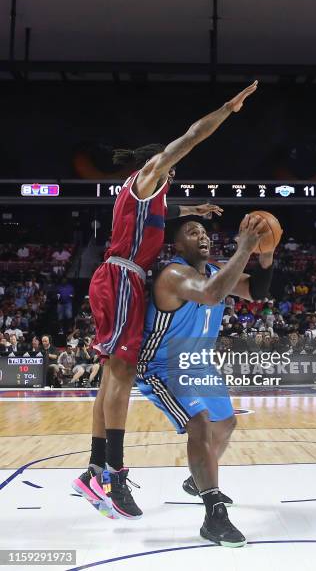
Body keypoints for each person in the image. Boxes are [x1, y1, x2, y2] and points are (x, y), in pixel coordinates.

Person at [72, 81, 259, 520]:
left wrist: (194, 210)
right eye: (171, 171)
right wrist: (227, 110)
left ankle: (95, 467)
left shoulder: (148, 200)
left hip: (123, 279)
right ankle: (113, 474)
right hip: (121, 278)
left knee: (110, 377)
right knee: (122, 373)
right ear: (160, 165)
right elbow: (192, 136)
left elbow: (160, 217)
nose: (172, 177)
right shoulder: (148, 176)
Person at [127, 216, 273, 547]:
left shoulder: (215, 272)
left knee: (226, 424)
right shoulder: (174, 274)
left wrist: (266, 255)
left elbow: (256, 290)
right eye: (193, 233)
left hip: (198, 363)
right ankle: (214, 515)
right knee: (200, 422)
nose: (202, 236)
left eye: (205, 232)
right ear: (178, 245)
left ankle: (198, 480)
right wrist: (246, 247)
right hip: (162, 365)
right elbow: (210, 294)